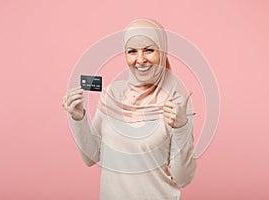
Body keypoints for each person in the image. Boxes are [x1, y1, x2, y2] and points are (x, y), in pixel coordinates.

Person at [62, 18, 197, 200]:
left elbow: (183, 179)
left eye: (149, 50)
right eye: (132, 51)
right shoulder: (111, 95)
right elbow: (91, 157)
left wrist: (181, 128)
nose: (140, 60)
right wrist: (78, 118)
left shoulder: (177, 104)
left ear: (163, 52)